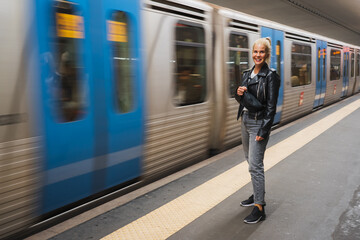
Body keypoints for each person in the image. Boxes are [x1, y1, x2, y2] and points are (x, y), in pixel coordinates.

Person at [235, 37, 280, 224]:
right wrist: (238, 94)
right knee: (249, 161)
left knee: (256, 165)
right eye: (255, 51)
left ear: (267, 54)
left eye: (261, 52)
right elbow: (242, 99)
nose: (258, 55)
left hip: (258, 123)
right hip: (245, 121)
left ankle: (260, 207)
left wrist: (264, 129)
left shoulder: (271, 76)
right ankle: (256, 194)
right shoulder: (247, 73)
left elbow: (271, 107)